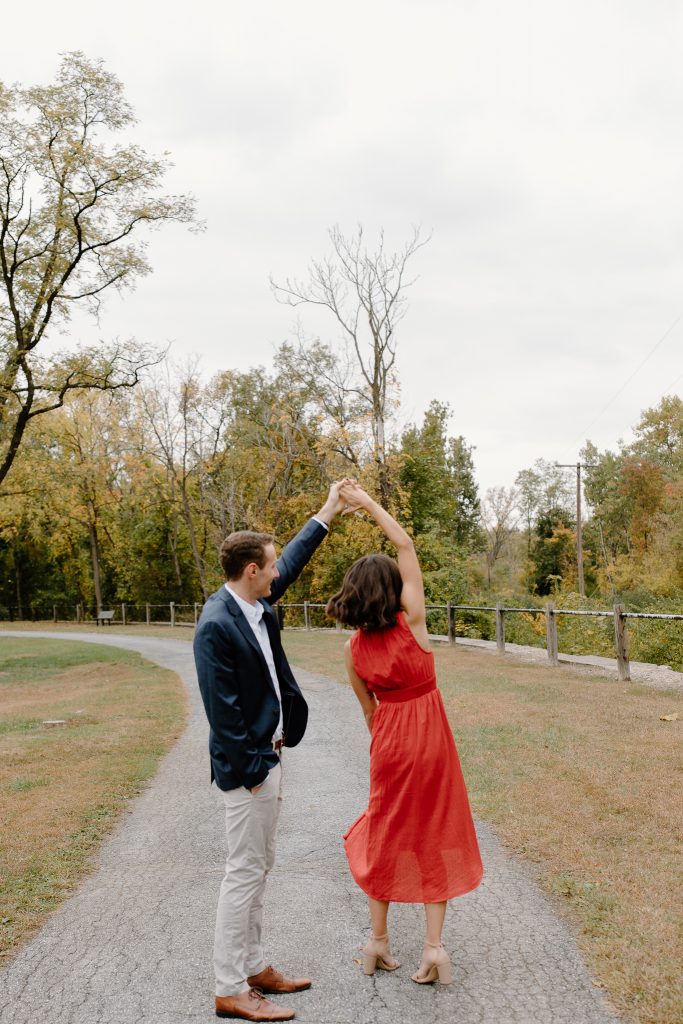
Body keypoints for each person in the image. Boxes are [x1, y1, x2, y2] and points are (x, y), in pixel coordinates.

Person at [193, 483, 345, 1022]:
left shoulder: (255, 605)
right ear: (251, 570)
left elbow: (296, 559)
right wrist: (256, 773)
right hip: (250, 771)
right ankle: (230, 987)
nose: (279, 571)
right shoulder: (215, 625)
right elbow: (223, 713)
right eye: (271, 565)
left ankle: (255, 968)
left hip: (272, 760)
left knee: (259, 868)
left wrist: (327, 511)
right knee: (243, 873)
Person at [326, 480, 483, 985]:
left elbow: (369, 714)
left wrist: (389, 740)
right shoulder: (412, 622)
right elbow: (406, 544)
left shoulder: (352, 650)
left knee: (386, 830)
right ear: (393, 591)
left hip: (390, 741)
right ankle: (434, 949)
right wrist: (367, 503)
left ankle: (377, 941)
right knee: (435, 831)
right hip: (431, 739)